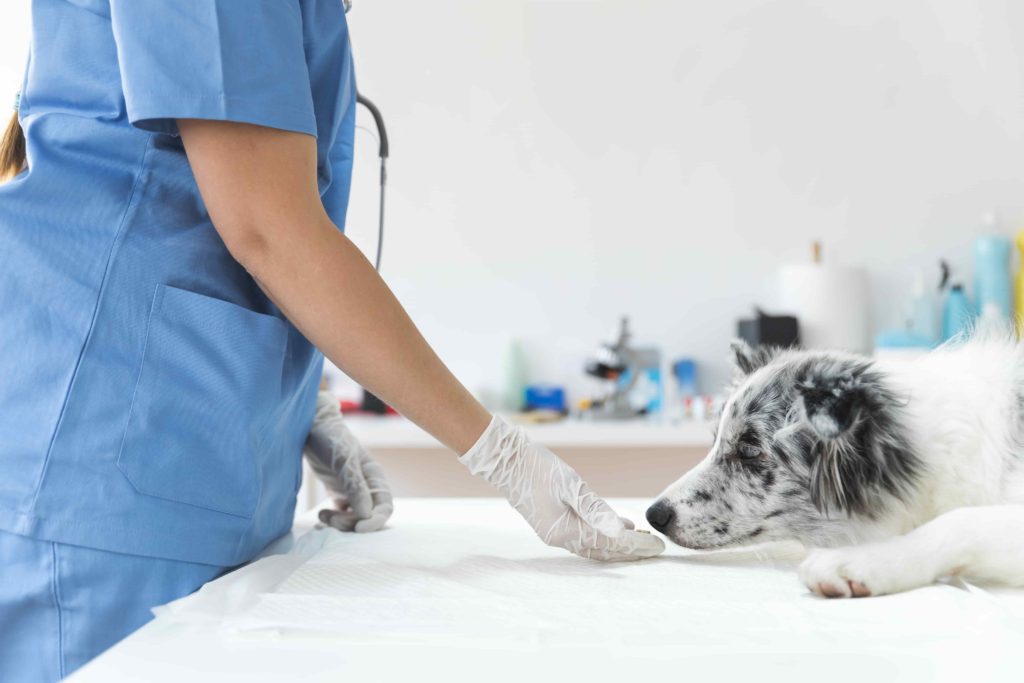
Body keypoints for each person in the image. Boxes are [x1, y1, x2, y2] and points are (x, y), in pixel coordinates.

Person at [0, 1, 664, 679]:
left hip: (172, 447)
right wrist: (499, 452)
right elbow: (266, 227)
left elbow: (217, 215)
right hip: (107, 462)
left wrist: (294, 399)